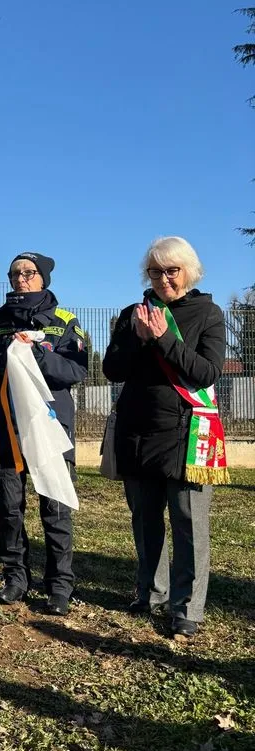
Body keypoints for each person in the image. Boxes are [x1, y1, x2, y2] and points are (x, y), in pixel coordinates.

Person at [102, 236, 228, 638]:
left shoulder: (208, 313)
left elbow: (207, 373)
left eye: (171, 271)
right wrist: (139, 340)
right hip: (137, 431)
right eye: (155, 271)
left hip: (187, 433)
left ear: (188, 271)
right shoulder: (132, 314)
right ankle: (150, 592)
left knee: (189, 522)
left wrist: (164, 339)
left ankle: (187, 607)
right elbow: (112, 370)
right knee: (145, 520)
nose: (163, 279)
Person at [0, 252, 88, 614]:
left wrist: (36, 356)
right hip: (5, 430)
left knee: (55, 508)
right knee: (9, 509)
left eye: (29, 273)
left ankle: (60, 586)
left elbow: (76, 370)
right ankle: (15, 578)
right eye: (15, 273)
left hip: (50, 429)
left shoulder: (65, 321)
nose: (21, 279)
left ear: (43, 279)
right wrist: (9, 355)